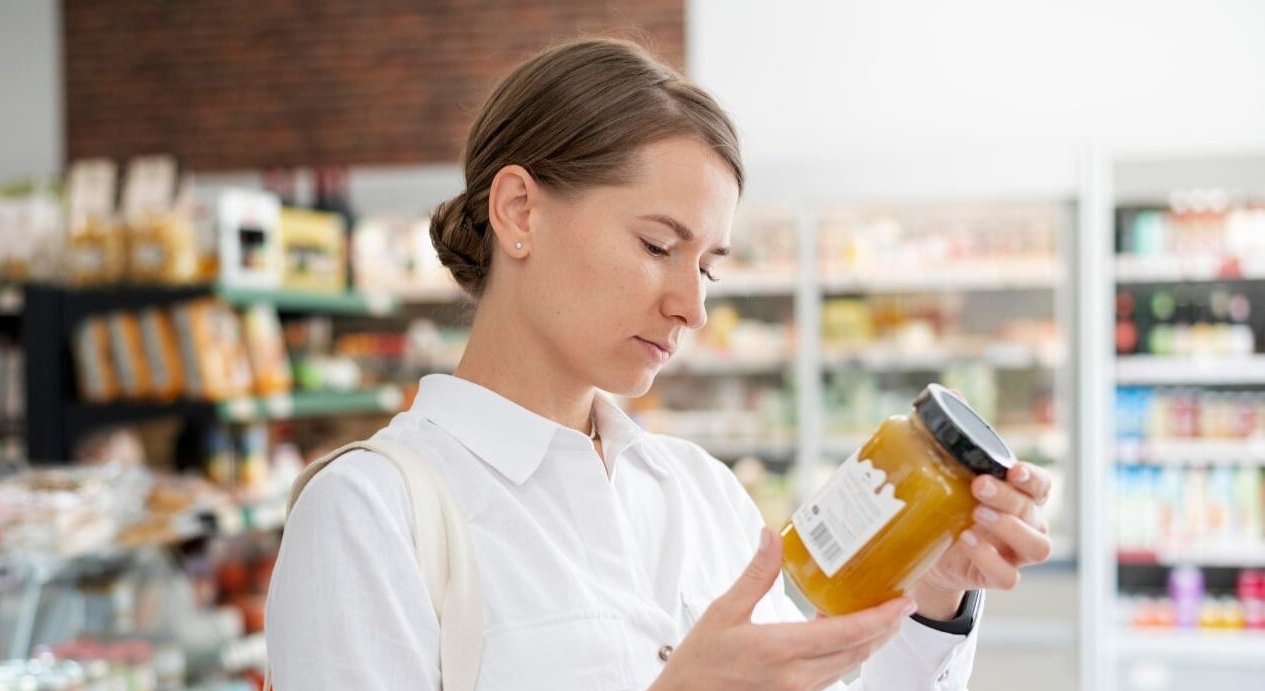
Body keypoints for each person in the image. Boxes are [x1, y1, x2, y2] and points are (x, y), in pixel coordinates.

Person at [265, 37, 1053, 691]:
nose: (692, 304)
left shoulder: (700, 493)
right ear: (518, 212)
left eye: (706, 266)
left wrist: (931, 588)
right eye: (656, 246)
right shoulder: (371, 513)